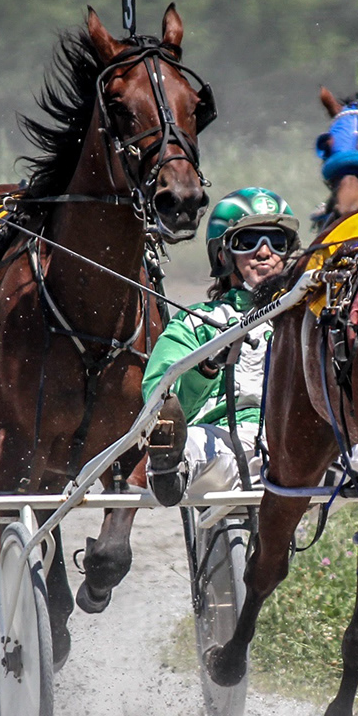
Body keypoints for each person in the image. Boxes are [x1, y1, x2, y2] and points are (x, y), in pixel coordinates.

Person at [140, 188, 298, 505]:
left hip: (295, 445)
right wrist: (207, 368)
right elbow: (158, 398)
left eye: (276, 242)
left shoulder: (304, 319)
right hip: (221, 445)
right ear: (224, 255)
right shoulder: (195, 322)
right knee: (192, 444)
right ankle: (168, 467)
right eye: (248, 241)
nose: (264, 252)